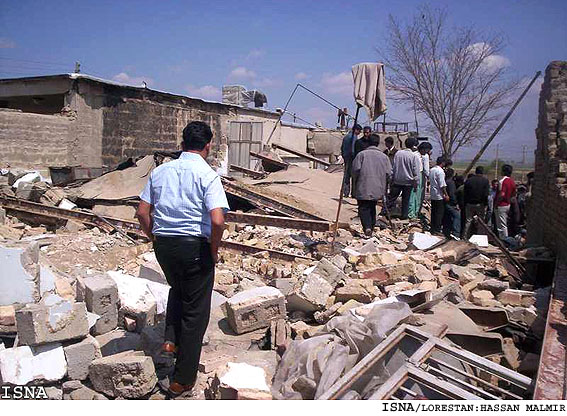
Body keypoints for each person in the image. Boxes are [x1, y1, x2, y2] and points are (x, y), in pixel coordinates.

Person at [136, 121, 229, 397]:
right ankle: (183, 379)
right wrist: (213, 249)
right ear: (208, 145)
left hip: (165, 245)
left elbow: (142, 213)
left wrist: (154, 238)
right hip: (194, 247)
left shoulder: (160, 171)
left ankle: (170, 341)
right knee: (196, 312)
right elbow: (217, 220)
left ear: (182, 143)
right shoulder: (208, 175)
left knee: (178, 289)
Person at [352, 134, 392, 237]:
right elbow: (389, 173)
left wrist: (354, 183)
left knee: (363, 207)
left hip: (363, 185)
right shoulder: (384, 157)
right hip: (378, 187)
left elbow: (355, 170)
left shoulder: (361, 155)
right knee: (372, 206)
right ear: (378, 143)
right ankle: (371, 227)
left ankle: (367, 227)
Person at [387, 137, 420, 220]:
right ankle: (404, 216)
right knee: (406, 200)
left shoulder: (398, 153)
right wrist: (416, 184)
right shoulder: (413, 156)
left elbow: (393, 167)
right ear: (413, 146)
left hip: (397, 180)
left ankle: (386, 213)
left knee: (391, 198)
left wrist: (391, 178)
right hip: (408, 182)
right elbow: (416, 172)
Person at [462, 166, 490, 239]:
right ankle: (479, 238)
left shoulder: (469, 180)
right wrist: (486, 204)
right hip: (480, 204)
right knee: (481, 222)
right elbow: (486, 194)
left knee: (468, 221)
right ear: (482, 172)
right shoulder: (485, 181)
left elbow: (465, 193)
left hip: (469, 204)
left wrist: (464, 203)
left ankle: (465, 237)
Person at [495, 164, 516, 240]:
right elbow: (513, 195)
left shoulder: (503, 181)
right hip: (508, 204)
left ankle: (504, 240)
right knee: (504, 223)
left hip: (501, 205)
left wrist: (496, 204)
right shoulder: (512, 181)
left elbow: (502, 194)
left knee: (501, 225)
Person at [429, 156, 450, 235]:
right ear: (443, 163)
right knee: (439, 213)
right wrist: (446, 194)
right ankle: (437, 230)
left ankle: (433, 228)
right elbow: (442, 185)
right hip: (439, 195)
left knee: (433, 212)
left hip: (433, 194)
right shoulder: (440, 171)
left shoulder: (432, 170)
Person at [341, 124, 362, 197]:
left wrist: (344, 156)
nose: (359, 133)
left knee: (346, 176)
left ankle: (345, 192)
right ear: (356, 130)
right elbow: (353, 149)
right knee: (354, 176)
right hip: (351, 158)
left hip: (346, 158)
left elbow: (342, 148)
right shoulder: (354, 137)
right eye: (359, 131)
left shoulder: (346, 136)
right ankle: (353, 193)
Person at [442, 168, 460, 238]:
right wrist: (455, 203)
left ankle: (446, 232)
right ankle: (456, 234)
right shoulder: (451, 183)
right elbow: (452, 194)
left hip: (445, 203)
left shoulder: (445, 181)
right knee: (457, 217)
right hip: (451, 204)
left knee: (447, 218)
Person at [408, 142, 424, 219]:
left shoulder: (419, 156)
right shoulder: (416, 156)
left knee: (417, 196)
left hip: (417, 175)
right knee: (413, 196)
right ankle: (411, 213)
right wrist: (416, 180)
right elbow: (416, 169)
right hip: (416, 176)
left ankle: (415, 212)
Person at [417, 142, 432, 216]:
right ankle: (417, 212)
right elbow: (426, 169)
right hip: (421, 175)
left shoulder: (415, 154)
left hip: (415, 175)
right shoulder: (425, 156)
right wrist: (429, 177)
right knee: (420, 195)